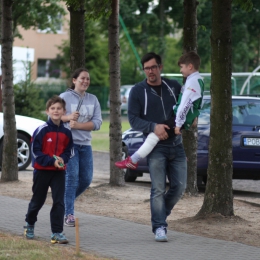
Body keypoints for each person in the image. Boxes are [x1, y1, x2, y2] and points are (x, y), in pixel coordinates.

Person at [117, 52, 187, 242]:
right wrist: (153, 127)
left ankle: (160, 214)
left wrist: (190, 120)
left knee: (180, 187)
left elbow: (184, 108)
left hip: (177, 145)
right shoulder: (138, 91)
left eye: (153, 67)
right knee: (157, 189)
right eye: (147, 68)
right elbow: (132, 119)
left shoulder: (173, 86)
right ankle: (159, 227)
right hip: (155, 147)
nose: (150, 72)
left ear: (160, 67)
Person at [115, 51, 204, 170]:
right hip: (165, 140)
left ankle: (133, 159)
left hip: (177, 128)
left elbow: (185, 104)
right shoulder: (199, 80)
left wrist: (179, 123)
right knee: (155, 135)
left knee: (154, 136)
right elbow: (196, 101)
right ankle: (134, 159)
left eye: (153, 67)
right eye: (147, 68)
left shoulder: (185, 83)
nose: (180, 70)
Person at [24, 96, 74, 244]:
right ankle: (29, 224)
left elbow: (69, 151)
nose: (56, 111)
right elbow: (35, 152)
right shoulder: (41, 130)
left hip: (59, 172)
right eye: (53, 108)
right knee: (38, 201)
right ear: (47, 111)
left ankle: (57, 232)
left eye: (59, 108)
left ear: (64, 111)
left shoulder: (67, 132)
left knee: (59, 202)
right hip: (42, 171)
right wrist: (52, 161)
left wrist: (62, 160)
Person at [60, 68, 102, 227]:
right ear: (74, 80)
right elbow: (53, 116)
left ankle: (63, 202)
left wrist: (79, 125)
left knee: (86, 179)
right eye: (82, 78)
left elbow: (97, 123)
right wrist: (68, 117)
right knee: (72, 178)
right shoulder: (64, 97)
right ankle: (69, 213)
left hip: (85, 145)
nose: (85, 81)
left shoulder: (93, 99)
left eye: (88, 79)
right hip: (69, 145)